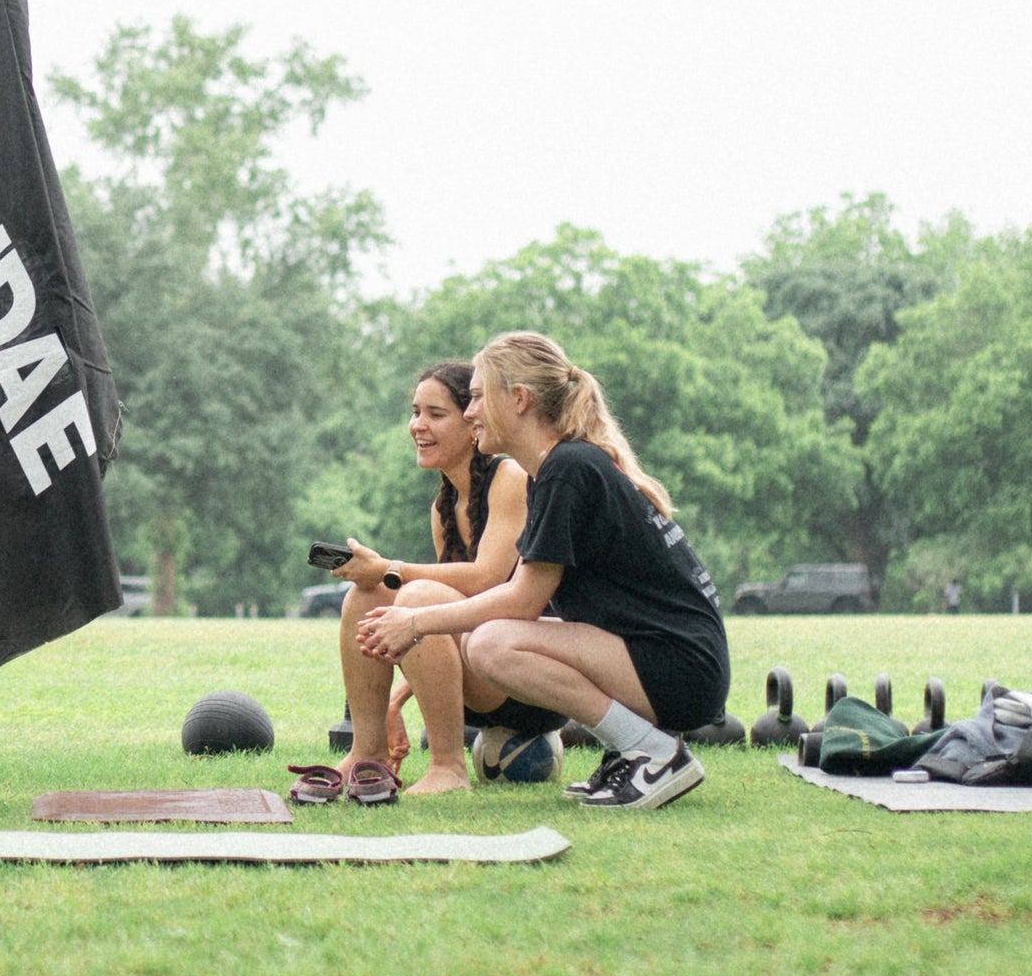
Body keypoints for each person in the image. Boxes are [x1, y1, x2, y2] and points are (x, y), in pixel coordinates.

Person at [351, 331, 730, 810]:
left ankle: (655, 754)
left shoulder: (568, 469)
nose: (470, 413)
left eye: (477, 398)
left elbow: (522, 601)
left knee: (492, 643)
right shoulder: (565, 466)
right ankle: (630, 749)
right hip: (671, 663)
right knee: (488, 638)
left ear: (519, 400)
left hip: (679, 670)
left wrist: (414, 622)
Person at [297, 362, 534, 803]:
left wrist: (391, 566)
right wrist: (395, 700)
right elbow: (449, 622)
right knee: (366, 594)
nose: (417, 426)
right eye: (415, 412)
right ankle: (367, 753)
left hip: (524, 676)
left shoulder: (510, 479)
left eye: (435, 414)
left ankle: (448, 767)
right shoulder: (444, 506)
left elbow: (488, 579)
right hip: (479, 662)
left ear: (472, 423)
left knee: (417, 596)